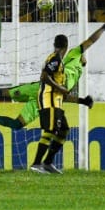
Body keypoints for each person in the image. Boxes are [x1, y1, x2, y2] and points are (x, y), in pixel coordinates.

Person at [0, 17, 105, 129]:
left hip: (44, 100)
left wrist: (82, 101)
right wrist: (104, 28)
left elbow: (62, 96)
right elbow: (91, 40)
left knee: (17, 124)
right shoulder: (74, 54)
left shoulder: (75, 77)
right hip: (39, 88)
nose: (85, 58)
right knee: (2, 93)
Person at [29, 35, 77, 174]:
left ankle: (48, 162)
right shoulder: (55, 59)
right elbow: (44, 76)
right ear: (66, 46)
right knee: (50, 130)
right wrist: (60, 88)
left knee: (63, 130)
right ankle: (36, 164)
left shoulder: (56, 59)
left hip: (56, 101)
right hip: (48, 99)